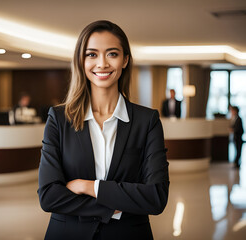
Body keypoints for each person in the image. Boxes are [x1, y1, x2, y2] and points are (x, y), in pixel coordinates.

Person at [38, 20, 169, 240]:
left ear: (125, 60)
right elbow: (49, 196)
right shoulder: (59, 119)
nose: (102, 63)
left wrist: (89, 186)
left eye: (112, 54)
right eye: (91, 54)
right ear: (81, 60)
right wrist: (112, 207)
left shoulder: (147, 121)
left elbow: (156, 197)